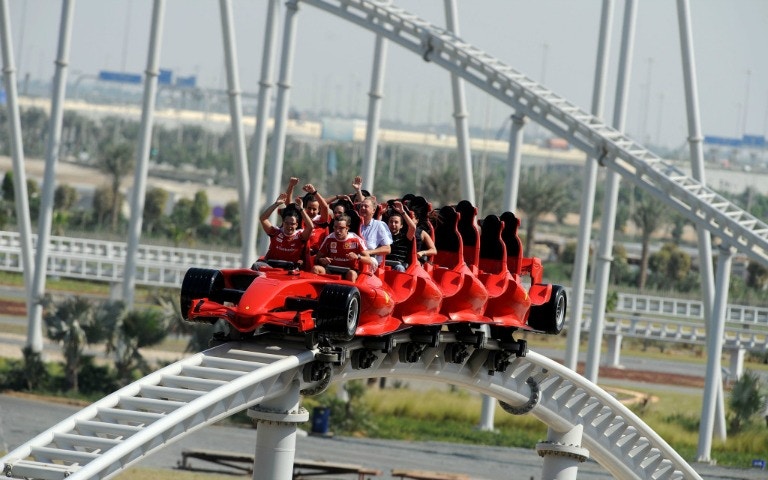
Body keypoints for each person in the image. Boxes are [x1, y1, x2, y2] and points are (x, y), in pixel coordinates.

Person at [253, 193, 313, 268]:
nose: (289, 226)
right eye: (287, 223)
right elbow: (263, 219)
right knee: (256, 265)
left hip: (290, 270)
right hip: (271, 267)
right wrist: (276, 204)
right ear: (283, 223)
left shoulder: (300, 235)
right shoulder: (275, 232)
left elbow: (310, 227)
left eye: (292, 224)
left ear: (296, 225)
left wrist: (301, 209)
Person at [312, 214, 372, 282]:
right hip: (331, 269)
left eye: (341, 228)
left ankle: (351, 291)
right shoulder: (329, 238)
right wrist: (322, 260)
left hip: (349, 271)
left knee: (352, 274)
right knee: (315, 269)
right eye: (335, 227)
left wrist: (357, 257)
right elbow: (317, 258)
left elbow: (369, 260)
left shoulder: (355, 239)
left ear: (347, 228)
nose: (337, 230)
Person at [386, 200, 437, 271]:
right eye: (391, 222)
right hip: (385, 264)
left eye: (396, 222)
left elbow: (413, 227)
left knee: (399, 268)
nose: (393, 224)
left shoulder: (405, 237)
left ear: (401, 225)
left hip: (399, 266)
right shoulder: (384, 236)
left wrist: (402, 212)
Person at [358, 196, 392, 270]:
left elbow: (387, 249)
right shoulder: (355, 223)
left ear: (373, 210)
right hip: (354, 258)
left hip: (370, 261)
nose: (362, 208)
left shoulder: (379, 225)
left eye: (366, 206)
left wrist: (369, 252)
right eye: (361, 206)